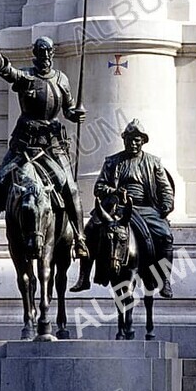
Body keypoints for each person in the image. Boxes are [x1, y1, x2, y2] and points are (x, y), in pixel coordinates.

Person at [0, 26, 89, 259]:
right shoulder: (26, 77)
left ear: (53, 55)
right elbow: (3, 69)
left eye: (49, 53)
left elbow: (67, 108)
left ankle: (80, 239)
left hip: (53, 146)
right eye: (41, 52)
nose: (45, 57)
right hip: (24, 147)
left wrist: (74, 114)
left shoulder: (61, 79)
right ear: (34, 54)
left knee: (71, 188)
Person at [71, 118, 175, 297]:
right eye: (130, 139)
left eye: (137, 139)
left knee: (165, 236)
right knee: (90, 231)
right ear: (124, 140)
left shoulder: (154, 162)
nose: (133, 143)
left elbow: (165, 188)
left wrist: (166, 206)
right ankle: (84, 276)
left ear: (142, 141)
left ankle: (164, 279)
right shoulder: (112, 161)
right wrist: (115, 192)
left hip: (144, 208)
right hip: (115, 208)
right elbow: (99, 187)